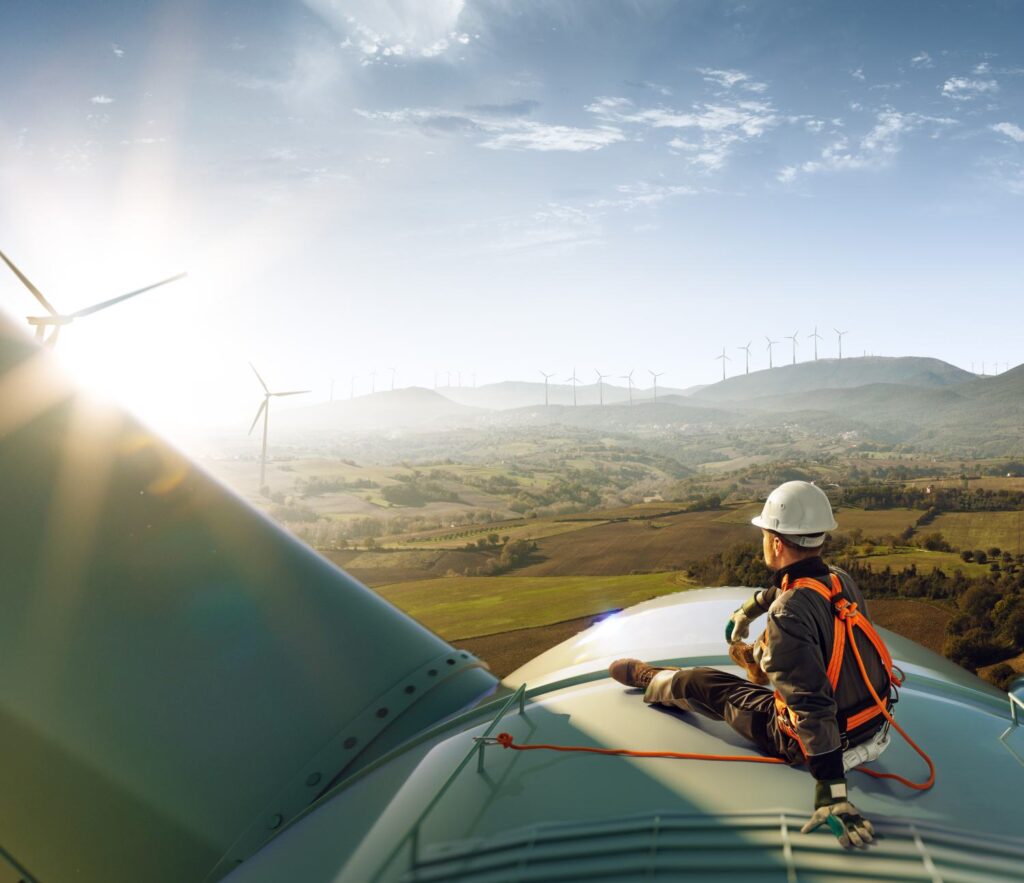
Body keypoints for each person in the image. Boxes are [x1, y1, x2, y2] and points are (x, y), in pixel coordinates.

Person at [609, 480, 893, 849]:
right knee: (781, 650)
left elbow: (811, 705)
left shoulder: (788, 613)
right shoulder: (840, 580)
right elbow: (790, 589)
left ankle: (654, 679)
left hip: (825, 743)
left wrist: (832, 791)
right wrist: (749, 609)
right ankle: (758, 661)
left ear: (776, 542)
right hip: (876, 726)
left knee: (703, 683)